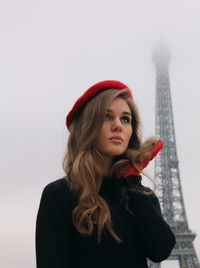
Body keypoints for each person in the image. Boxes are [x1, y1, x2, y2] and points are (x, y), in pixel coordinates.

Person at [35, 80, 176, 268]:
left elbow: (160, 250)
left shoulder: (140, 195)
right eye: (107, 116)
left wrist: (132, 179)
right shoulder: (59, 195)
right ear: (88, 126)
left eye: (125, 119)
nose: (118, 125)